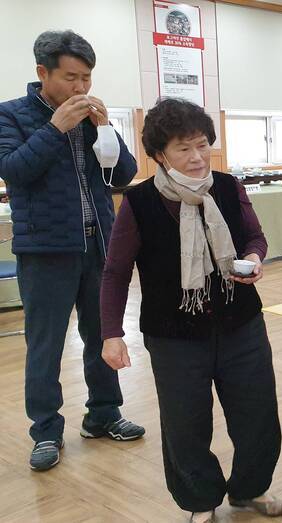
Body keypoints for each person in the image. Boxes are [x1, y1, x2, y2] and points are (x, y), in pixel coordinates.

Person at [100, 98, 282, 523]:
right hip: (174, 335)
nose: (198, 157)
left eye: (203, 145)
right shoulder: (140, 201)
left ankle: (248, 490)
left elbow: (255, 238)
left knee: (258, 416)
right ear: (160, 154)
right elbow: (115, 271)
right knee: (186, 425)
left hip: (242, 323)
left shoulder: (228, 186)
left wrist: (255, 259)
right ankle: (201, 501)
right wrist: (112, 333)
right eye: (184, 148)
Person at [0, 30, 143, 471]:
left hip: (97, 244)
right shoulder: (11, 115)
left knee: (102, 335)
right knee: (44, 344)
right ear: (43, 73)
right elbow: (14, 172)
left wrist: (105, 129)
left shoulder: (92, 117)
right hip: (44, 249)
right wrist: (55, 127)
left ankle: (103, 414)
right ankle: (45, 431)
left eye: (87, 78)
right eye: (71, 78)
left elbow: (125, 173)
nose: (81, 88)